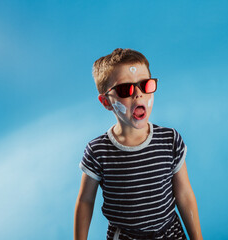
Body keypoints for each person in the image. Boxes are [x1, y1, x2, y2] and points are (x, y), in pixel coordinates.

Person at [74, 48, 203, 240]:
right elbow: (85, 201)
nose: (138, 95)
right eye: (125, 89)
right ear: (106, 102)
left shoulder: (170, 140)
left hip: (170, 234)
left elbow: (184, 194)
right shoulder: (98, 151)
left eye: (145, 85)